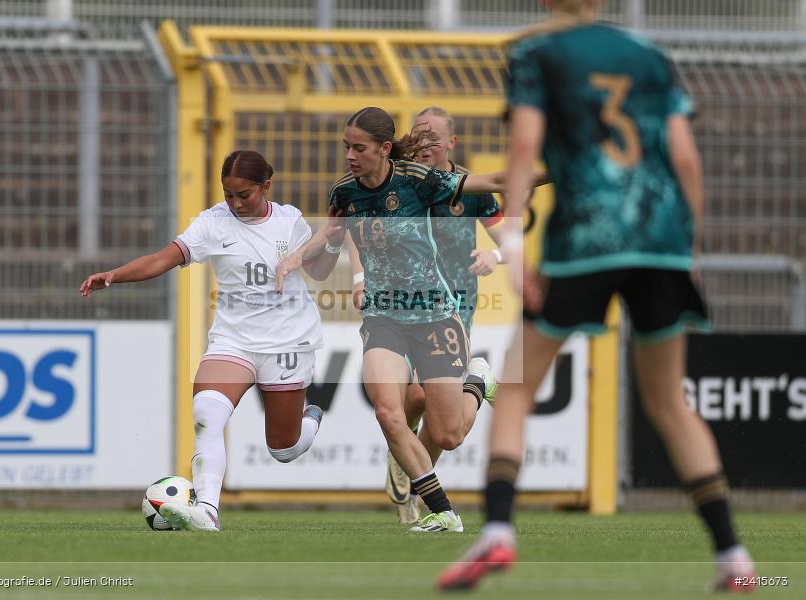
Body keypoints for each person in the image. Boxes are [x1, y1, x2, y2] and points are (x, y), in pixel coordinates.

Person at [437, 0, 754, 591]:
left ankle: (499, 532)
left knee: (517, 385)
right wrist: (690, 250)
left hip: (587, 238)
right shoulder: (651, 57)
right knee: (669, 402)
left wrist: (513, 239)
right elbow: (685, 157)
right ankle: (734, 557)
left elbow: (525, 150)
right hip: (660, 239)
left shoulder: (536, 54)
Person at [277, 106, 518, 533]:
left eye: (359, 148)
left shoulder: (419, 182)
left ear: (384, 149)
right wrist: (297, 258)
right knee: (389, 412)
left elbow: (497, 182)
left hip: (435, 314)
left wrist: (562, 170)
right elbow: (332, 232)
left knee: (448, 434)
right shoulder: (345, 192)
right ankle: (443, 511)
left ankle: (475, 383)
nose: (350, 155)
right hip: (383, 316)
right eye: (346, 147)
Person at [79, 150, 342, 532]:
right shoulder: (212, 223)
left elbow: (319, 270)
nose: (234, 203)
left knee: (284, 449)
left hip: (288, 341)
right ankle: (207, 509)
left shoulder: (290, 221)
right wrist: (115, 275)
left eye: (244, 195)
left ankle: (312, 419)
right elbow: (162, 259)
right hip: (233, 341)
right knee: (207, 413)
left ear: (266, 186)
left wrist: (332, 241)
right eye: (228, 194)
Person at [346, 106, 521, 525]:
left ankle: (414, 467)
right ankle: (409, 463)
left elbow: (513, 240)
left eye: (433, 138)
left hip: (452, 305)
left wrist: (494, 255)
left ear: (452, 144)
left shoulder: (469, 189)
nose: (425, 145)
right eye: (418, 136)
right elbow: (355, 225)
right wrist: (358, 276)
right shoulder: (397, 178)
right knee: (402, 399)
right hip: (396, 303)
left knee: (430, 405)